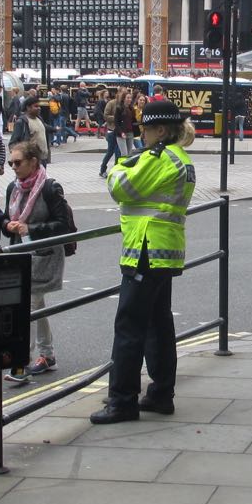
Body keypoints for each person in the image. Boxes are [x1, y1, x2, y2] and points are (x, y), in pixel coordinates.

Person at [90, 100, 196, 424]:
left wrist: (121, 164)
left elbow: (119, 186)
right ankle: (162, 394)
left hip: (145, 248)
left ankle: (122, 401)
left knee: (129, 326)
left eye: (145, 129)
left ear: (160, 130)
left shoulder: (160, 157)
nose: (142, 135)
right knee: (158, 324)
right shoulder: (181, 159)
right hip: (164, 252)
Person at [1, 141, 70, 381]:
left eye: (18, 162)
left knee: (27, 307)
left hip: (44, 258)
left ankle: (21, 364)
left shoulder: (50, 188)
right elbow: (5, 220)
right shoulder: (14, 188)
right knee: (35, 306)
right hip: (21, 256)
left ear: (33, 161)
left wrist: (31, 228)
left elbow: (65, 226)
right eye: (11, 162)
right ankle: (48, 355)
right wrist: (7, 225)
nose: (13, 167)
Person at [99, 90, 124, 177]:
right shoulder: (111, 103)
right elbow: (106, 116)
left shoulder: (124, 105)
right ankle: (102, 170)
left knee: (118, 152)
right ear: (117, 94)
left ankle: (116, 170)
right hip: (112, 130)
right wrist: (117, 118)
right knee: (110, 151)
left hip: (120, 131)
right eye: (122, 94)